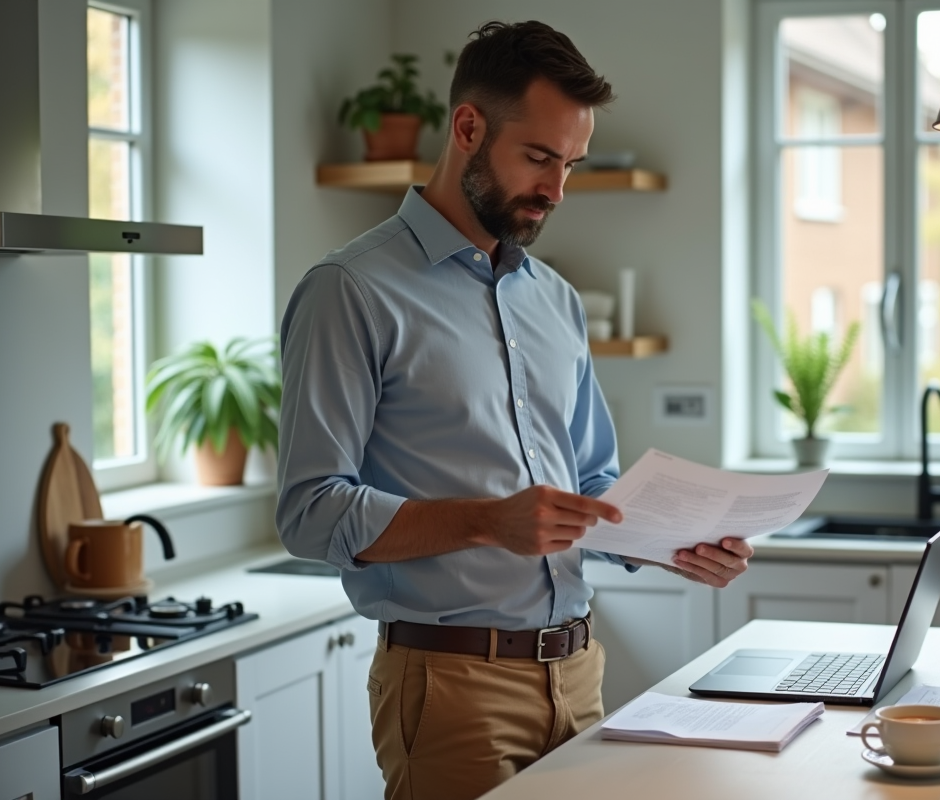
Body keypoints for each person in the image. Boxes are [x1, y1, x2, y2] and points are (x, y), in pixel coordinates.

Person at [276, 20, 753, 800]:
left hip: (577, 675)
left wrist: (676, 543)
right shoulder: (351, 290)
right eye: (538, 157)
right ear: (468, 128)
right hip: (450, 684)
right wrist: (485, 521)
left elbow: (593, 483)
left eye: (571, 164)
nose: (557, 190)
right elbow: (308, 512)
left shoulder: (555, 299)